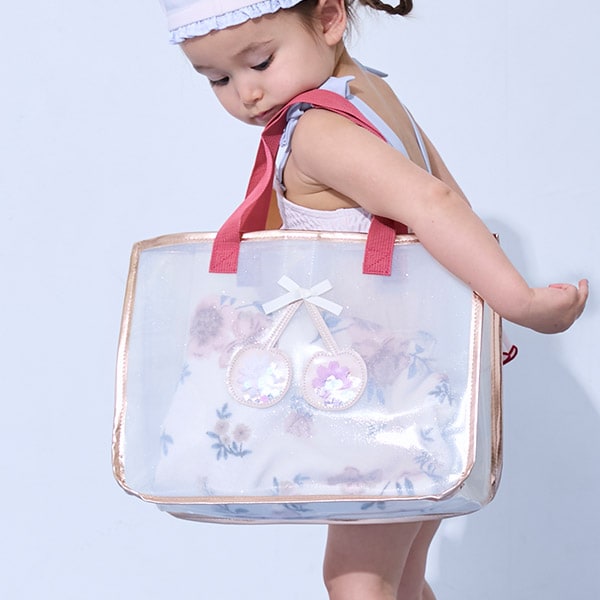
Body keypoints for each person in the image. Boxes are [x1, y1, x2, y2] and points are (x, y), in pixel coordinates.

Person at [157, 0, 589, 598]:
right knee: (398, 578)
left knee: (357, 579)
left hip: (376, 395)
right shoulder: (368, 94)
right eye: (218, 79)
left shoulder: (317, 130)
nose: (247, 94)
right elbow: (450, 198)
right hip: (424, 380)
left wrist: (521, 302)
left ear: (328, 20)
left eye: (260, 62)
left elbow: (433, 206)